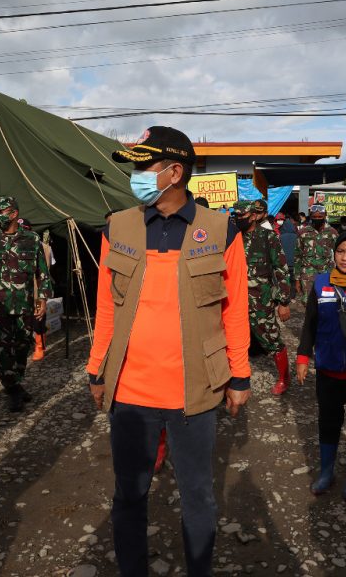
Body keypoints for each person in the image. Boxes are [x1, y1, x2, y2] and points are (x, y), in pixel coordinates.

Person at [86, 126, 250, 577]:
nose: (136, 176)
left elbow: (234, 310)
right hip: (130, 393)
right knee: (130, 494)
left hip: (194, 395)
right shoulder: (117, 226)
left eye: (144, 167)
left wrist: (239, 377)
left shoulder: (221, 230)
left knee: (198, 496)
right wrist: (97, 370)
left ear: (175, 172)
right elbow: (106, 308)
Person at [296, 231, 346, 501]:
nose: (345, 257)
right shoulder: (320, 283)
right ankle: (326, 472)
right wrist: (303, 357)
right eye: (341, 251)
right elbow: (310, 324)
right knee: (328, 423)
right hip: (327, 370)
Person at [0, 196, 52, 412]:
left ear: (14, 213)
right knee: (2, 349)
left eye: (1, 211)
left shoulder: (32, 240)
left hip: (24, 306)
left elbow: (42, 274)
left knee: (22, 346)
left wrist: (43, 299)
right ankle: (12, 388)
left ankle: (16, 381)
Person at [233, 199, 292, 395]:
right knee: (233, 340)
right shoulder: (233, 238)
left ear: (253, 216)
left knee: (272, 339)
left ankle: (284, 377)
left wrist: (283, 301)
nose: (238, 218)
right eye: (236, 215)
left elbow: (281, 269)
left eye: (242, 215)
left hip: (261, 300)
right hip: (236, 299)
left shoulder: (268, 238)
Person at [18, 218, 55, 361]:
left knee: (38, 320)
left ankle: (39, 347)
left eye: (25, 229)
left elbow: (50, 266)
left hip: (37, 289)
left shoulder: (45, 247)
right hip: (18, 291)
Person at [294, 204, 338, 299]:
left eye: (320, 217)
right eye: (314, 217)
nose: (317, 219)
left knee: (326, 303)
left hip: (327, 275)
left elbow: (338, 255)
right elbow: (297, 256)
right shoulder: (303, 232)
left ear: (325, 215)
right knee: (308, 304)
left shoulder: (332, 232)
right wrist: (297, 279)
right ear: (310, 216)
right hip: (307, 276)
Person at [277, 213, 299, 285]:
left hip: (284, 263)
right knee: (294, 282)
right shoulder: (297, 236)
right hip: (294, 263)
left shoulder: (280, 237)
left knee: (286, 282)